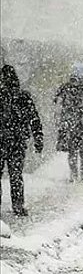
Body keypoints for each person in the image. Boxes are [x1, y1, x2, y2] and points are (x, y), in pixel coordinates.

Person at [0, 65, 43, 216]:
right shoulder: (23, 97)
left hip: (3, 141)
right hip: (17, 142)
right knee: (16, 175)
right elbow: (34, 119)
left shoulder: (3, 95)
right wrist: (38, 137)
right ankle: (18, 205)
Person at [54, 63, 83, 182]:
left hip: (70, 124)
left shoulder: (65, 88)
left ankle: (74, 175)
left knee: (72, 151)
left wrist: (61, 120)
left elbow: (56, 102)